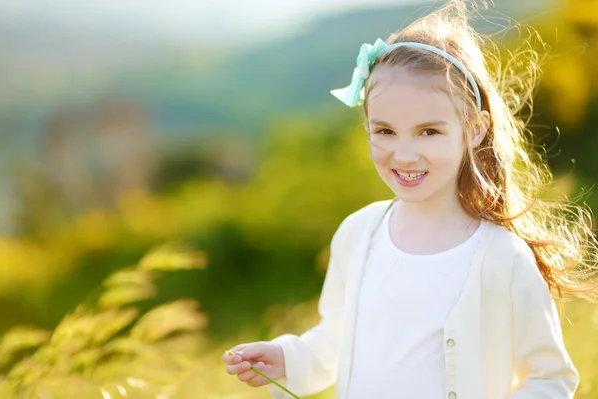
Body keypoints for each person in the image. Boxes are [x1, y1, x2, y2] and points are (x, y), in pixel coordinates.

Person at [222, 1, 598, 398]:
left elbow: (550, 378)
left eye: (429, 132)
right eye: (385, 131)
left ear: (473, 129)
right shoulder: (356, 234)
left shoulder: (503, 257)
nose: (403, 154)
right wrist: (288, 359)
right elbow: (336, 338)